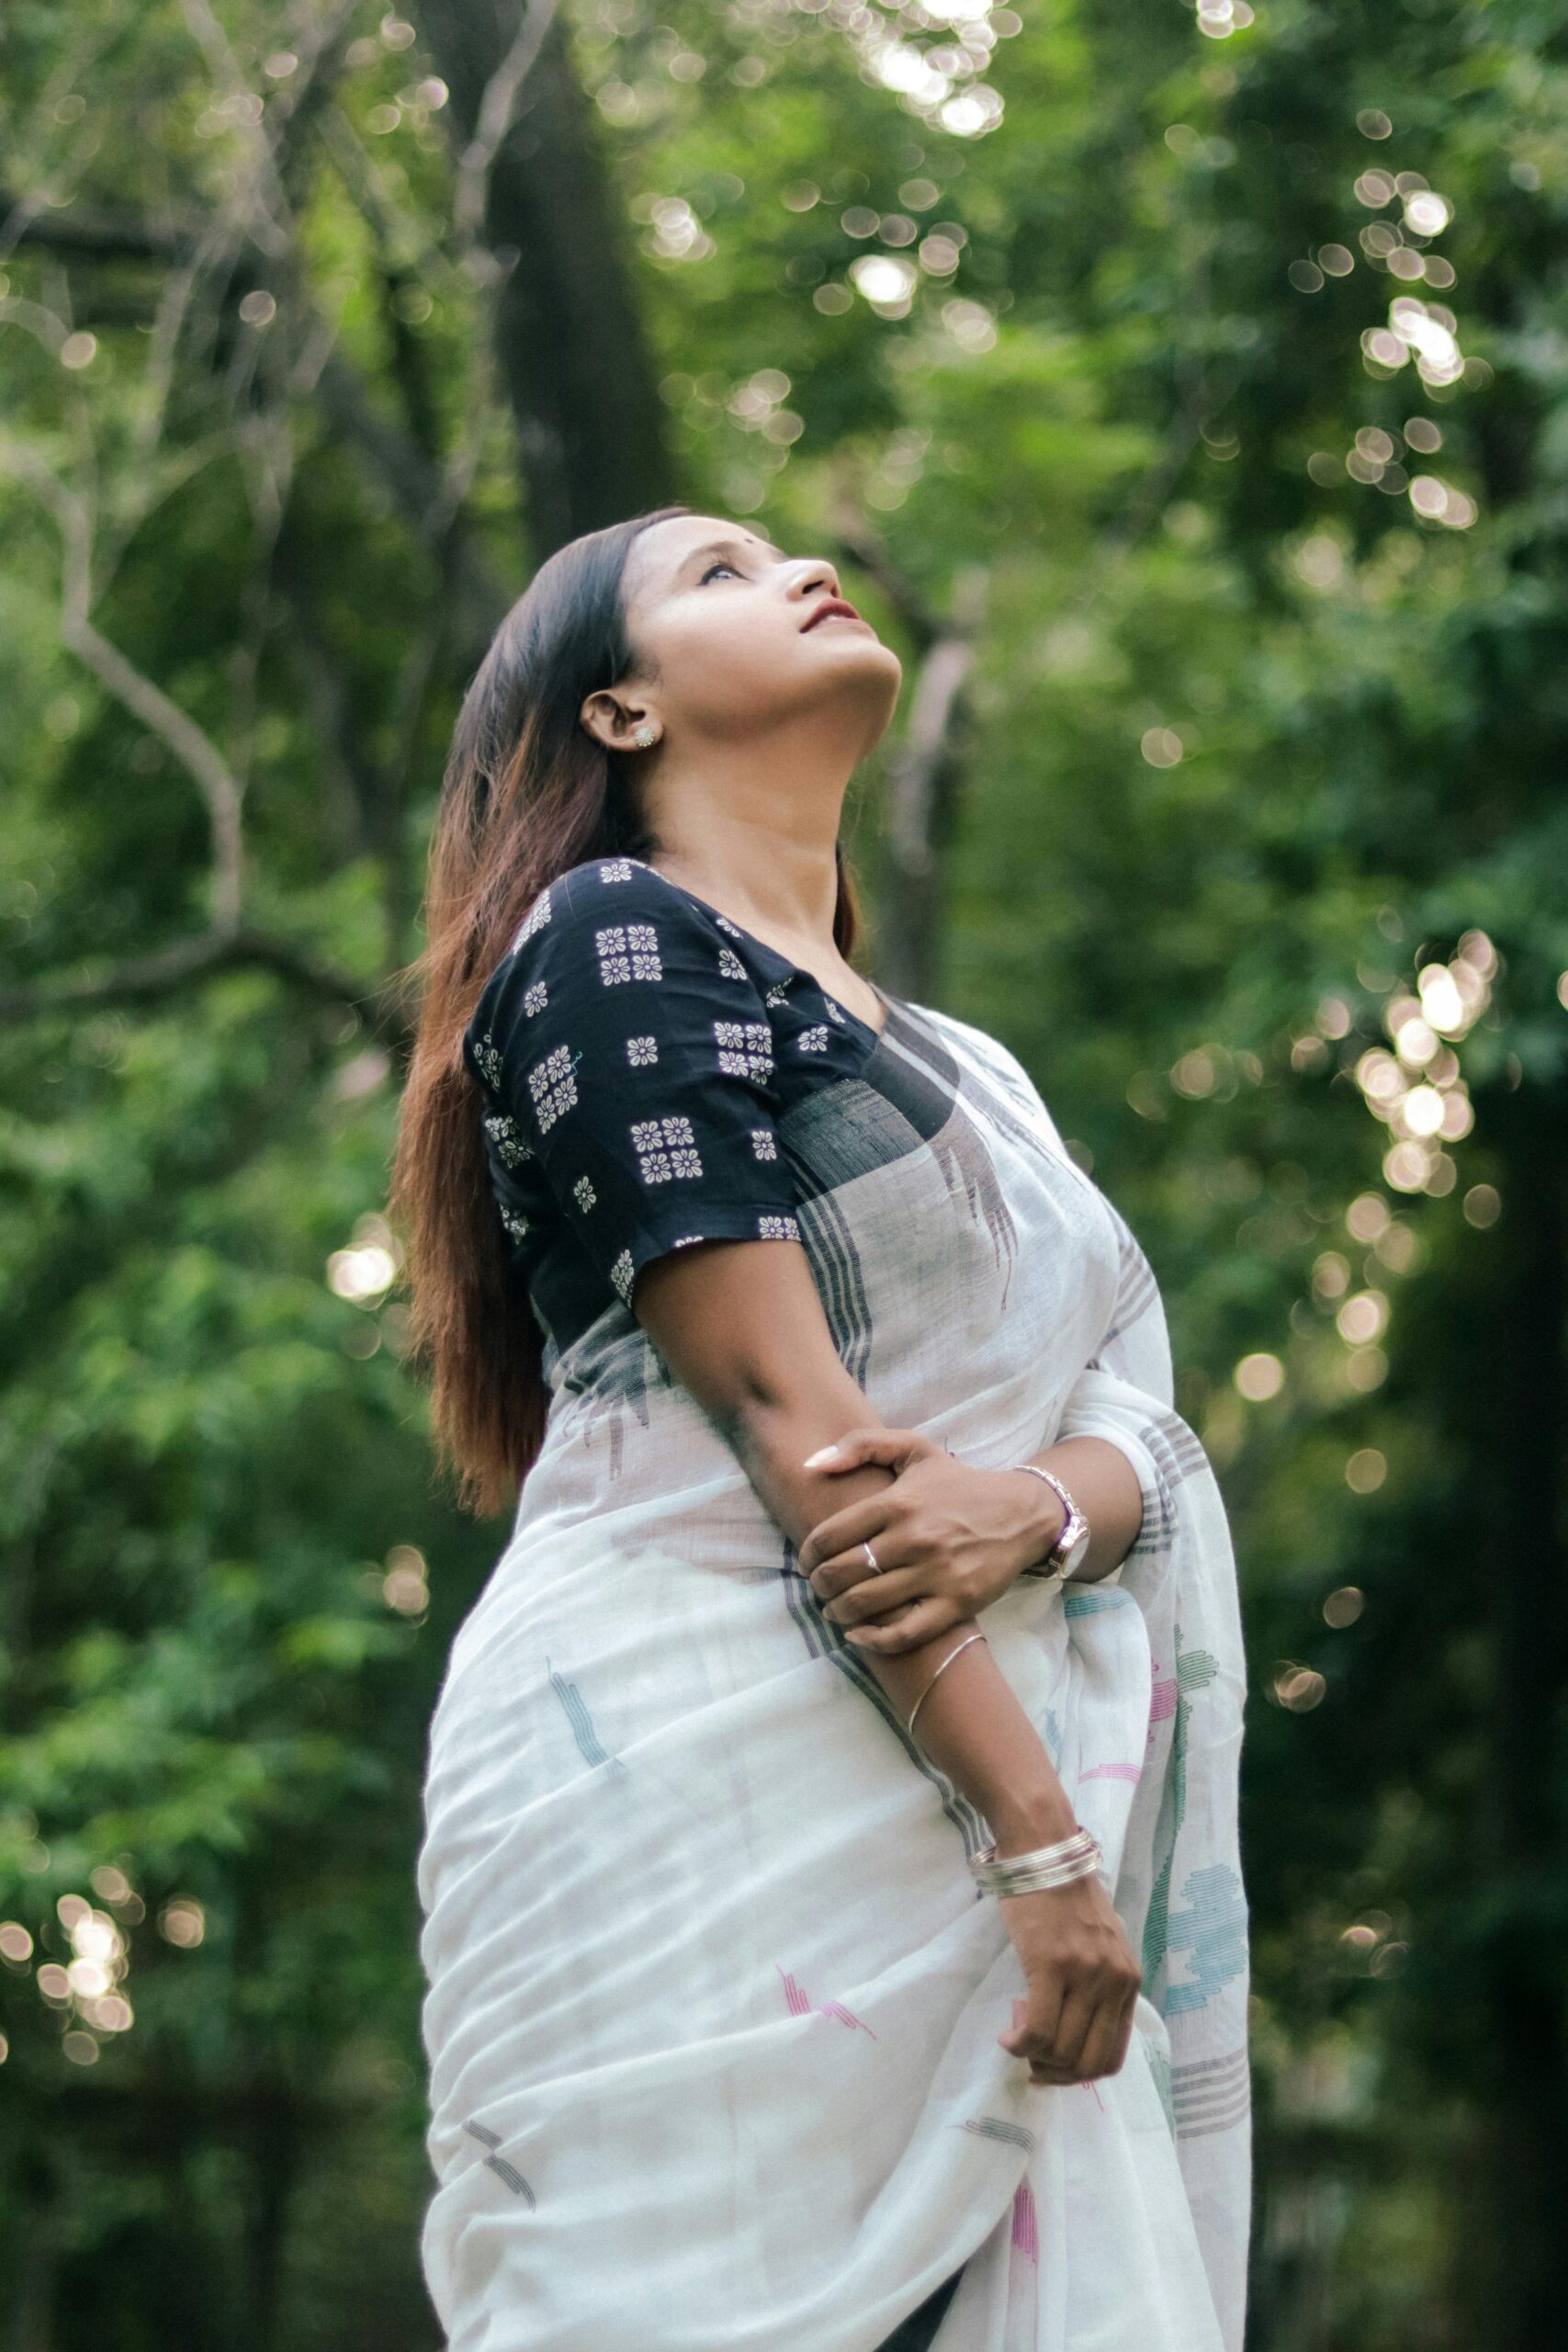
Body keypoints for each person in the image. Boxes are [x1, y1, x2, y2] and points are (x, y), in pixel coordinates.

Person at [391, 504, 1251, 2352]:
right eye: (714, 570)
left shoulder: (976, 1076)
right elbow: (807, 1440)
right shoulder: (608, 942)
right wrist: (1041, 1853)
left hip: (961, 1739)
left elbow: (1130, 1414)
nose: (792, 565)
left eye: (782, 548)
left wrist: (1029, 1507)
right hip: (687, 1765)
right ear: (617, 712)